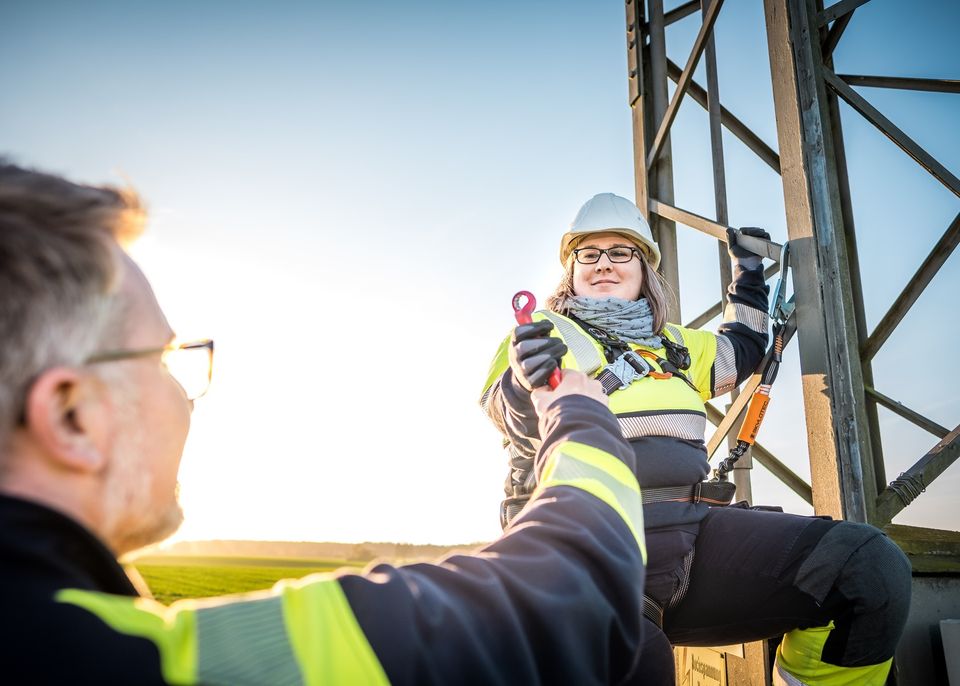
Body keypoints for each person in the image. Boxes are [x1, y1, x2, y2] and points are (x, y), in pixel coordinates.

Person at [0, 162, 649, 684]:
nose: (186, 395)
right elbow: (572, 596)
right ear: (71, 416)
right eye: (165, 358)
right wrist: (580, 411)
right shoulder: (140, 664)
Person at [480, 192, 912, 685]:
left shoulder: (677, 345)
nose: (603, 264)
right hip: (587, 550)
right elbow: (508, 414)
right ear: (571, 269)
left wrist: (748, 275)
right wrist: (521, 379)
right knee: (642, 665)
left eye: (620, 252)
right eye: (589, 253)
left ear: (643, 268)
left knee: (865, 569)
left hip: (689, 538)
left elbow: (743, 348)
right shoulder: (542, 335)